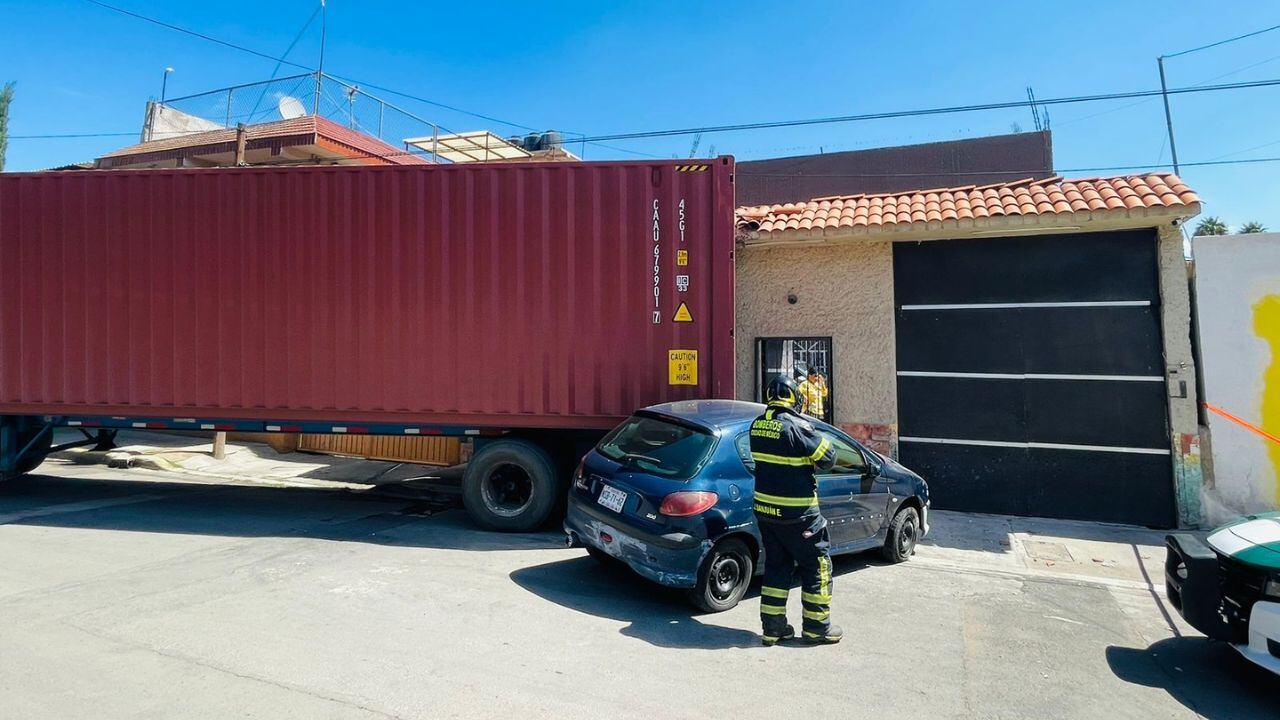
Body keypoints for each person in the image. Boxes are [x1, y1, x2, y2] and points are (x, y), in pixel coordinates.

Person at [749, 375, 840, 646]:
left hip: (766, 512)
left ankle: (773, 629)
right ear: (794, 399)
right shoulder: (797, 427)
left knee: (777, 568)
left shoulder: (756, 426)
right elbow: (829, 458)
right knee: (817, 566)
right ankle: (816, 629)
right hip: (800, 515)